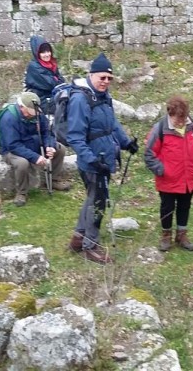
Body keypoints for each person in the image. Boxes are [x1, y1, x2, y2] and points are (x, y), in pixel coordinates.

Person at [66, 53, 138, 264]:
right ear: (91, 74)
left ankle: (79, 238)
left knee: (93, 198)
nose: (106, 82)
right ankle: (91, 245)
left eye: (109, 78)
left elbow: (112, 125)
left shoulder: (103, 97)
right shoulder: (80, 99)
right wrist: (91, 159)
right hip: (92, 161)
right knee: (97, 202)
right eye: (102, 77)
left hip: (104, 157)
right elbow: (75, 137)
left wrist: (126, 143)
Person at [143, 96, 193, 252]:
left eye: (183, 118)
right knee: (167, 207)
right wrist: (161, 170)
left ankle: (182, 235)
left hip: (189, 177)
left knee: (184, 206)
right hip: (168, 179)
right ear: (169, 113)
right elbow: (149, 153)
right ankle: (166, 236)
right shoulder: (159, 129)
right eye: (177, 120)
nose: (180, 122)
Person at [0, 91, 70, 207]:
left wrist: (49, 146)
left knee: (60, 149)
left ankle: (53, 180)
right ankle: (22, 193)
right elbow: (13, 145)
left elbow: (47, 132)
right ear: (21, 107)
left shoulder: (37, 114)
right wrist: (35, 157)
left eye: (34, 112)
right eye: (29, 112)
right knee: (22, 163)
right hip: (12, 150)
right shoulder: (8, 118)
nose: (32, 115)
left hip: (32, 144)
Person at [24, 35, 65, 114]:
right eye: (43, 52)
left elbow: (61, 81)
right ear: (37, 53)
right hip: (40, 100)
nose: (47, 54)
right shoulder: (34, 67)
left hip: (51, 95)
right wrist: (57, 80)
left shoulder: (51, 64)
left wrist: (57, 80)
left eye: (48, 51)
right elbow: (51, 84)